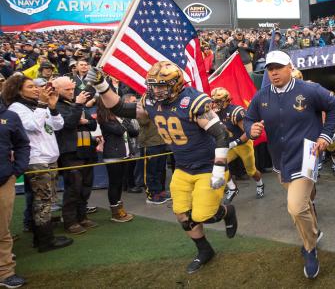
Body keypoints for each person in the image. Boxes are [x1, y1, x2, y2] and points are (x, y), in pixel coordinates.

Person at [86, 61, 238, 274]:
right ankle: (204, 250)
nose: (156, 90)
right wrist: (102, 85)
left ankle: (226, 211)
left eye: (161, 86)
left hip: (207, 166)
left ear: (176, 84)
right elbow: (120, 107)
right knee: (182, 214)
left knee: (203, 215)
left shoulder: (193, 101)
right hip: (183, 167)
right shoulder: (151, 101)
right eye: (153, 85)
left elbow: (221, 134)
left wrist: (219, 169)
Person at [244, 50, 335, 279]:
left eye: (278, 67)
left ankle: (310, 248)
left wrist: (326, 136)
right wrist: (251, 129)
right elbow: (248, 118)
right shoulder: (262, 95)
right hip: (280, 160)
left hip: (307, 155)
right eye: (270, 69)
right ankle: (314, 232)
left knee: (296, 207)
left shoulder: (309, 89)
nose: (274, 72)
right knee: (303, 203)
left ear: (290, 66)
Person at [3, 75, 74, 253]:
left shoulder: (37, 105)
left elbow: (58, 125)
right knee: (42, 201)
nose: (36, 89)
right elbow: (33, 125)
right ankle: (45, 241)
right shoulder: (16, 108)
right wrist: (43, 105)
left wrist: (52, 107)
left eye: (36, 86)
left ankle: (42, 237)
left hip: (49, 159)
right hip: (36, 160)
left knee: (47, 200)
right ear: (18, 90)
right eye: (30, 87)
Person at [53, 76, 97, 235]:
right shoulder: (55, 105)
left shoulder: (76, 104)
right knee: (73, 188)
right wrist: (78, 106)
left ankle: (82, 217)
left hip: (87, 150)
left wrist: (83, 120)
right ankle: (70, 221)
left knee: (86, 186)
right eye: (67, 89)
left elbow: (93, 124)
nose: (72, 92)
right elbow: (68, 124)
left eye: (72, 89)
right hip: (71, 152)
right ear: (57, 90)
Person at [210, 87, 265, 203]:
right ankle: (232, 188)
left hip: (243, 144)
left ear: (226, 100)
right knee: (219, 164)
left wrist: (235, 142)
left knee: (251, 171)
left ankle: (260, 184)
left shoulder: (236, 112)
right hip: (229, 144)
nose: (214, 104)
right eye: (213, 101)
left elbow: (248, 132)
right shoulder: (213, 113)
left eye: (217, 101)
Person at [0, 78, 30, 289]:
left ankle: (5, 272)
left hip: (3, 180)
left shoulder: (9, 116)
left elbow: (22, 144)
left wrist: (16, 171)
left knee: (2, 230)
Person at [96, 98, 135, 223]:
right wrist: (127, 118)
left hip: (124, 154)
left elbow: (132, 132)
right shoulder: (104, 118)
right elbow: (119, 130)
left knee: (119, 183)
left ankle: (119, 209)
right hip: (113, 155)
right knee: (114, 184)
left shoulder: (116, 116)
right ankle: (115, 213)